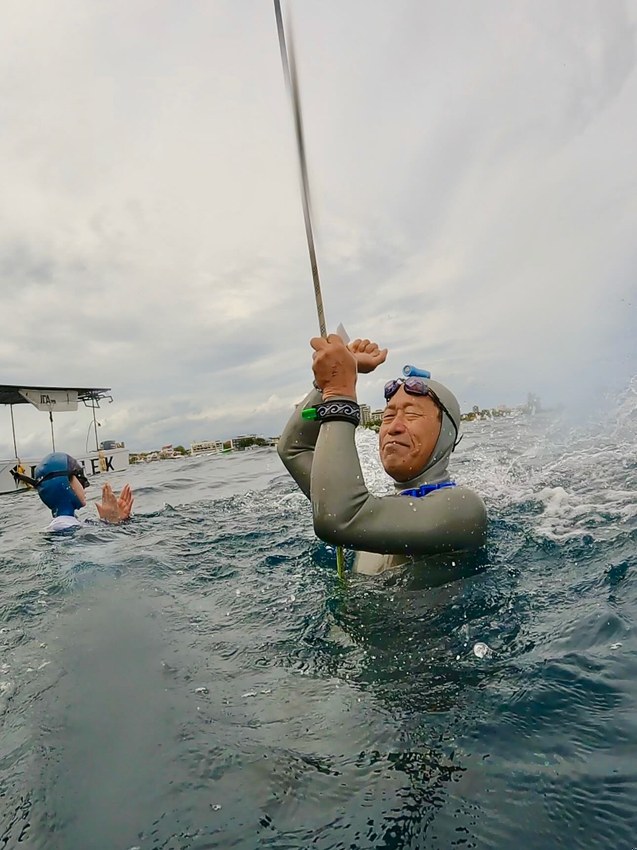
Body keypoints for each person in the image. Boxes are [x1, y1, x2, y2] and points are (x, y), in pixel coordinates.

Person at [277, 335, 487, 575]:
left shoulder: (463, 509)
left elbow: (340, 520)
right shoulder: (378, 509)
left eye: (412, 415)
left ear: (446, 434)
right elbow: (294, 449)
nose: (393, 427)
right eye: (388, 416)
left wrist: (338, 392)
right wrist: (328, 381)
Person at [13, 451, 134, 532]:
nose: (85, 486)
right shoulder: (64, 528)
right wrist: (112, 524)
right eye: (80, 478)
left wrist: (117, 521)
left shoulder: (65, 525)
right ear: (65, 483)